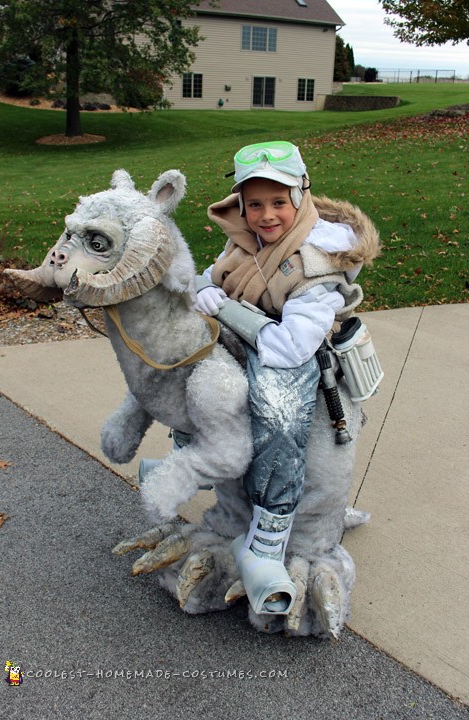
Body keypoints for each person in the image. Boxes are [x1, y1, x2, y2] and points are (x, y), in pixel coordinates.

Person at [195, 140, 367, 616]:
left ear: (300, 196)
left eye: (278, 202)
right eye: (255, 204)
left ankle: (271, 538)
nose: (266, 215)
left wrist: (225, 306)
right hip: (253, 339)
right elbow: (206, 282)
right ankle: (197, 463)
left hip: (301, 359)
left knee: (277, 406)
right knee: (194, 375)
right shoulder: (244, 244)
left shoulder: (319, 261)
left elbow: (291, 347)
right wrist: (207, 292)